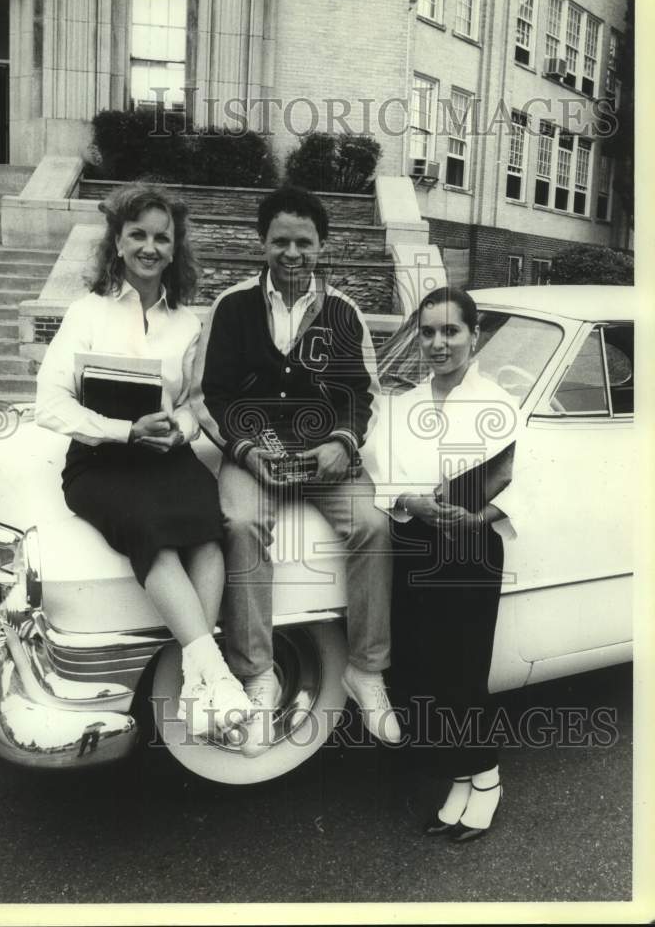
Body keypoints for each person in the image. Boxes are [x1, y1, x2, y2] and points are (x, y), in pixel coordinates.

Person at [35, 185, 253, 739]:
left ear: (176, 249)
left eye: (162, 237)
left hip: (163, 456)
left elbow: (194, 402)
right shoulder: (87, 312)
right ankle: (214, 674)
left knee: (207, 524)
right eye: (138, 234)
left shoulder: (187, 321)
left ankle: (196, 677)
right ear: (117, 241)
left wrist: (175, 431)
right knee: (150, 526)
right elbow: (50, 403)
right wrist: (122, 430)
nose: (150, 247)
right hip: (101, 461)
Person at [191, 184, 400, 758]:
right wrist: (245, 451)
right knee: (239, 525)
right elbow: (210, 394)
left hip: (325, 457)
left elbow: (364, 393)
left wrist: (342, 441)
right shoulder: (231, 307)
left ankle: (365, 671)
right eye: (280, 240)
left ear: (321, 245)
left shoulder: (343, 310)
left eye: (303, 242)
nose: (291, 253)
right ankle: (257, 676)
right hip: (251, 455)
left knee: (374, 527)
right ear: (262, 243)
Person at [373, 286, 519, 843]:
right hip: (414, 544)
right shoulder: (403, 404)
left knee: (462, 667)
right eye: (428, 332)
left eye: (450, 331)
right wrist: (410, 500)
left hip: (470, 549)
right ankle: (459, 775)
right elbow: (382, 474)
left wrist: (477, 518)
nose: (438, 343)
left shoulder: (498, 404)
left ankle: (487, 776)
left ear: (473, 335)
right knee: (420, 669)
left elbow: (515, 479)